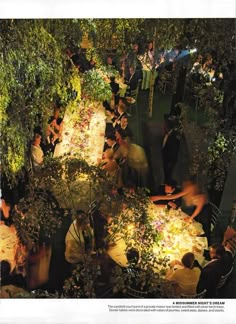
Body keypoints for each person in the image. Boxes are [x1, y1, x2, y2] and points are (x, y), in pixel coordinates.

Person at [150, 178, 212, 245]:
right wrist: (158, 197)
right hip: (196, 208)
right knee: (195, 224)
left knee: (204, 229)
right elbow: (173, 197)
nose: (184, 185)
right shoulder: (187, 188)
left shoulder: (191, 189)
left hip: (204, 210)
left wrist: (190, 218)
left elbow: (198, 208)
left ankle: (206, 246)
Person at [161, 115, 180, 182]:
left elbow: (173, 152)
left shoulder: (174, 137)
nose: (162, 125)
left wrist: (170, 164)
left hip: (170, 164)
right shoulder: (165, 135)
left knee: (169, 179)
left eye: (164, 124)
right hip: (165, 163)